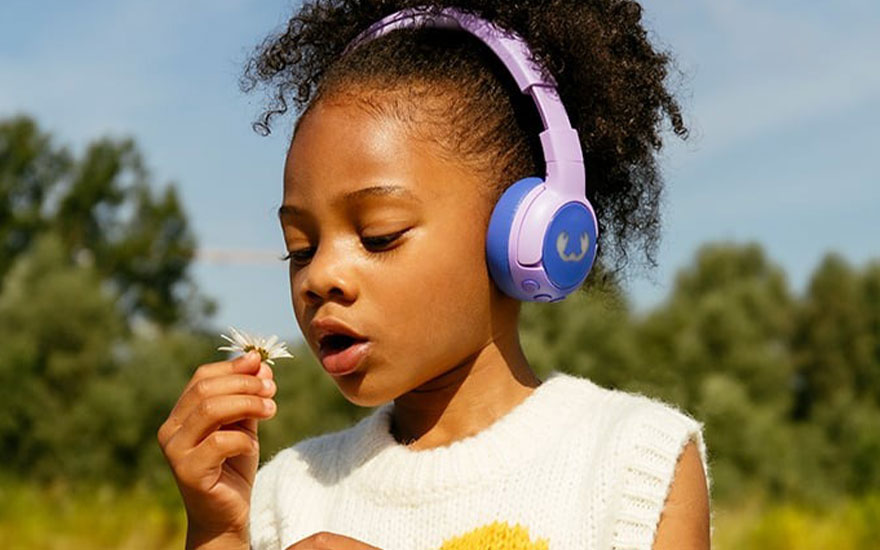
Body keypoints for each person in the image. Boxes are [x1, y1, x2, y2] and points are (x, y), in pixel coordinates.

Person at [158, 1, 712, 549]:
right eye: (300, 248)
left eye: (379, 234)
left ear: (523, 232)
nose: (320, 275)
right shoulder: (285, 493)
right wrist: (219, 531)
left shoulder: (634, 460)